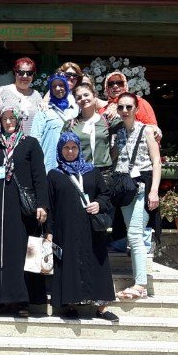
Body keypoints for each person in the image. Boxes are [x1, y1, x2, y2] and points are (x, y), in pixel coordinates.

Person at [0, 103, 49, 317]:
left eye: (12, 118)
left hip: (21, 210)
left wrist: (42, 204)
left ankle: (21, 301)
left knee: (21, 252)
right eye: (5, 119)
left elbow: (39, 176)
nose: (8, 122)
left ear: (18, 121)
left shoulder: (30, 144)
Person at [46, 132, 118, 321]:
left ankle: (101, 308)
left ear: (79, 149)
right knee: (69, 263)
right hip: (66, 229)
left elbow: (105, 195)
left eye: (74, 147)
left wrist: (99, 204)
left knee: (97, 263)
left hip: (91, 229)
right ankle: (71, 304)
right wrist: (49, 232)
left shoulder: (92, 172)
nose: (70, 151)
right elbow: (50, 206)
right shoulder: (54, 175)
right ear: (60, 150)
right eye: (66, 148)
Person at [113, 92, 161, 301]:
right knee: (133, 236)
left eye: (128, 107)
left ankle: (140, 284)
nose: (124, 111)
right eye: (121, 107)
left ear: (136, 108)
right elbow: (114, 158)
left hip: (142, 186)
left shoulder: (147, 131)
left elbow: (156, 161)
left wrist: (154, 191)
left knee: (134, 234)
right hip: (125, 188)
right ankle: (138, 280)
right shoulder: (117, 132)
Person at [31, 73, 79, 172]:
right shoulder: (44, 110)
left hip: (71, 163)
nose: (58, 88)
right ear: (51, 90)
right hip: (49, 163)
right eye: (54, 86)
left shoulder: (75, 109)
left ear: (66, 87)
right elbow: (35, 139)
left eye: (61, 85)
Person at [68, 82, 120, 172]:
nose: (83, 99)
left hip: (104, 172)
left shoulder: (107, 120)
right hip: (80, 171)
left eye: (86, 95)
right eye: (79, 97)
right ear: (76, 101)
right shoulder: (70, 124)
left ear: (94, 95)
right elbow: (63, 148)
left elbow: (127, 129)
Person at [0, 57, 44, 131]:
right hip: (7, 140)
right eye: (21, 72)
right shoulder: (3, 91)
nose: (25, 76)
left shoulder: (36, 95)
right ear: (15, 73)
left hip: (31, 140)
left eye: (29, 73)